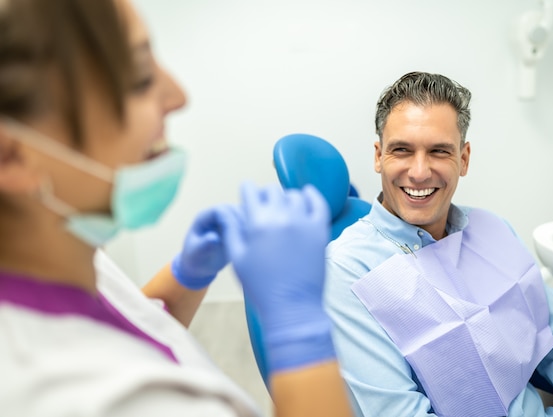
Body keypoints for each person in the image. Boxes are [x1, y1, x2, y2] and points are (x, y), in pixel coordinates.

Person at [0, 1, 353, 416]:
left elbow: (129, 326)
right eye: (140, 77)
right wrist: (298, 330)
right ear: (12, 157)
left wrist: (188, 274)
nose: (178, 96)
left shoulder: (62, 252)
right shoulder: (88, 398)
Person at [324, 71, 553, 417]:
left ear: (463, 159)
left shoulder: (491, 230)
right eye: (402, 150)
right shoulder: (348, 270)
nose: (420, 172)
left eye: (439, 151)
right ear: (379, 156)